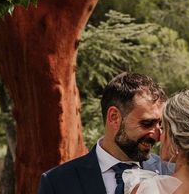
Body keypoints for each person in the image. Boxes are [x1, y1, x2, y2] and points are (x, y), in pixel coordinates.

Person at [38, 72, 172, 194]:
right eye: (147, 123)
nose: (158, 135)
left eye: (160, 124)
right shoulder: (57, 183)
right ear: (114, 117)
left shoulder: (170, 173)